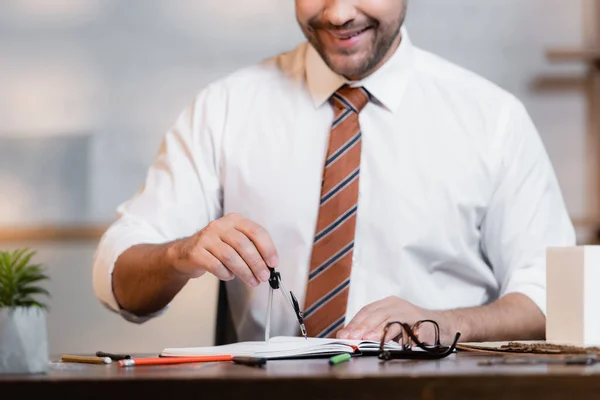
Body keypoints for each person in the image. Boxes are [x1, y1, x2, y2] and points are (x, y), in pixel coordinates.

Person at [92, 0, 575, 345]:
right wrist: (181, 252)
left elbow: (556, 296)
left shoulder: (492, 118)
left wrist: (446, 323)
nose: (339, 13)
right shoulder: (224, 109)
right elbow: (118, 282)